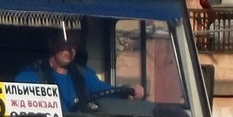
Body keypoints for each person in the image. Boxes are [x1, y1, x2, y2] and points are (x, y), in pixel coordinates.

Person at [14, 29, 144, 109]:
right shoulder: (30, 76)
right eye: (66, 42)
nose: (70, 49)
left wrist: (128, 89)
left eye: (74, 44)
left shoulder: (84, 75)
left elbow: (106, 91)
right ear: (51, 43)